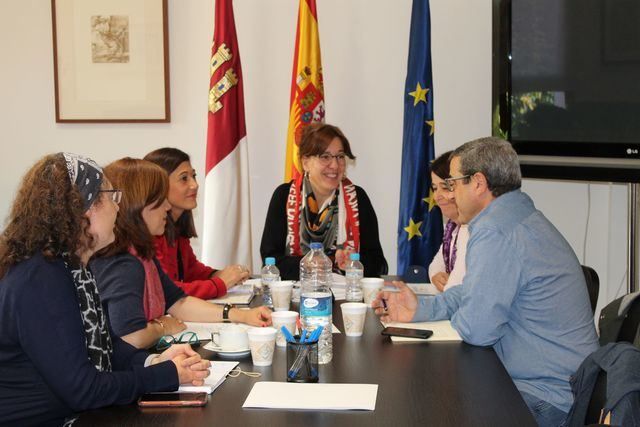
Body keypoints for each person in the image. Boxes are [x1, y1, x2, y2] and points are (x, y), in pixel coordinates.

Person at [373, 137, 599, 427]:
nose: (450, 194)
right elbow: (473, 292)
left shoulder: (496, 231)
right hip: (549, 386)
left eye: (453, 183)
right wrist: (420, 309)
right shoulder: (517, 217)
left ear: (478, 183)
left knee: (423, 407)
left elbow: (476, 329)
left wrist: (462, 311)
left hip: (544, 399)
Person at [0, 153, 210, 426]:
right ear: (85, 209)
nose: (117, 208)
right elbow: (84, 391)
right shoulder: (40, 279)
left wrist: (154, 361)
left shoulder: (71, 267)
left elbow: (105, 347)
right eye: (112, 197)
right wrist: (167, 374)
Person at [91, 158, 271, 350]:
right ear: (138, 205)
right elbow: (131, 337)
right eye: (160, 200)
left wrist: (241, 315)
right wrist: (162, 327)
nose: (167, 207)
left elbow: (178, 302)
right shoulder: (122, 263)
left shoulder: (143, 254)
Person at [260, 123, 387, 280]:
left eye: (340, 156)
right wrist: (308, 264)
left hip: (346, 297)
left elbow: (379, 264)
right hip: (295, 296)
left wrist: (352, 262)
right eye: (325, 157)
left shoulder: (358, 197)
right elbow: (269, 262)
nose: (334, 165)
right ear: (305, 162)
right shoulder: (283, 196)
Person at [144, 147, 249, 299]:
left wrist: (219, 274)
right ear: (160, 185)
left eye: (194, 176)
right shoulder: (151, 232)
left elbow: (191, 270)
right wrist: (220, 283)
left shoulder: (177, 225)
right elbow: (166, 290)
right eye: (184, 178)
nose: (195, 185)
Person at [427, 151, 468, 292]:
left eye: (445, 187)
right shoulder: (451, 226)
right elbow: (436, 264)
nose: (437, 196)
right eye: (434, 188)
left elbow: (457, 286)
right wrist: (436, 276)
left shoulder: (471, 227)